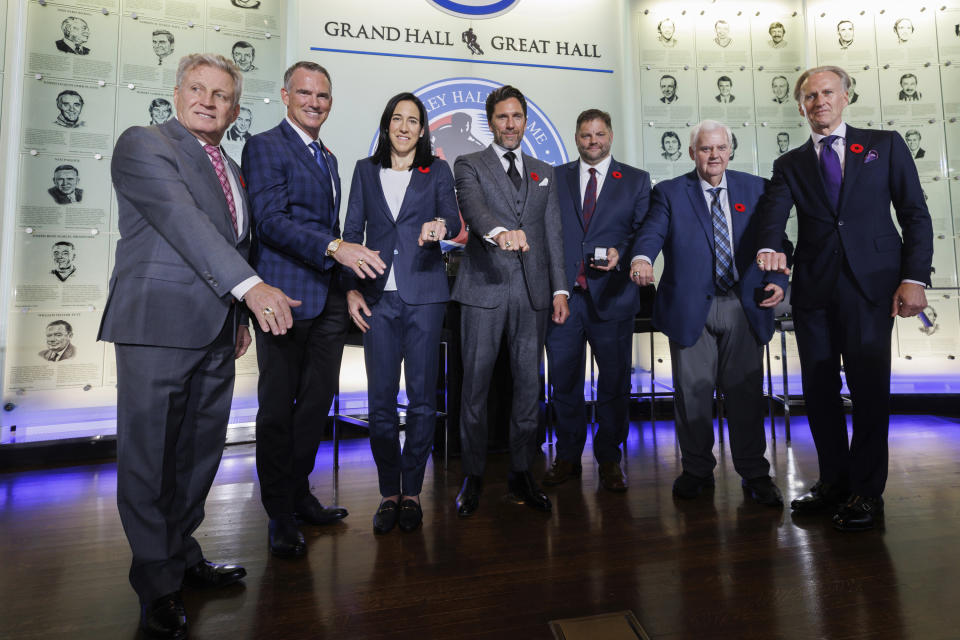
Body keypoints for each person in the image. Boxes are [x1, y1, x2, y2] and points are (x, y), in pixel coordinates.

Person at [99, 53, 299, 638]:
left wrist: (237, 312)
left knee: (198, 456)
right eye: (197, 88)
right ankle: (157, 584)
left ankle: (181, 554)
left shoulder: (231, 168)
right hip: (156, 327)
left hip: (216, 330)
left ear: (235, 109)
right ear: (178, 91)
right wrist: (254, 289)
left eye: (221, 94)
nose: (208, 101)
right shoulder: (144, 144)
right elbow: (183, 222)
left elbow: (233, 243)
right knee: (150, 459)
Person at [756, 65, 933, 531]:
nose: (819, 102)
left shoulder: (884, 145)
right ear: (801, 106)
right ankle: (834, 481)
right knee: (818, 391)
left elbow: (914, 213)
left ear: (846, 96)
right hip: (814, 291)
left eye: (827, 92)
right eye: (810, 96)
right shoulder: (790, 164)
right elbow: (773, 216)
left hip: (872, 287)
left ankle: (867, 491)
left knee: (870, 390)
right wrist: (770, 247)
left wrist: (914, 277)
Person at [242, 61, 384, 558]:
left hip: (326, 302)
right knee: (278, 410)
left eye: (323, 95)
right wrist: (333, 249)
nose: (314, 102)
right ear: (285, 95)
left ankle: (299, 494)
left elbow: (334, 236)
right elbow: (271, 223)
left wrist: (346, 286)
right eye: (304, 93)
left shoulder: (328, 156)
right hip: (282, 299)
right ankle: (278, 513)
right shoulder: (263, 146)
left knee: (316, 406)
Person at [630, 120, 788, 507]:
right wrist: (641, 257)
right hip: (690, 308)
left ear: (730, 150)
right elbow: (652, 232)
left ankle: (754, 472)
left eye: (720, 148)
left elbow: (777, 241)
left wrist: (778, 280)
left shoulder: (756, 188)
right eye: (705, 149)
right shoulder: (669, 192)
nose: (713, 155)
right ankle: (697, 470)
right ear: (692, 153)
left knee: (746, 394)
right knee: (693, 395)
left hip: (743, 305)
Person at [342, 93, 461, 534]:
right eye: (398, 118)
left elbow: (453, 218)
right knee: (380, 402)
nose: (405, 127)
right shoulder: (364, 171)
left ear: (424, 129)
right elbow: (352, 234)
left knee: (424, 400)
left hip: (425, 296)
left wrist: (442, 227)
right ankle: (388, 492)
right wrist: (352, 288)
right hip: (378, 299)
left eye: (414, 120)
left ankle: (413, 491)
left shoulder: (437, 171)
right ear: (386, 124)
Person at [452, 85, 569, 517]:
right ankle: (473, 475)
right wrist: (499, 232)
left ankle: (522, 472)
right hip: (483, 288)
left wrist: (559, 289)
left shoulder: (545, 171)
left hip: (534, 293)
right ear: (490, 121)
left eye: (516, 116)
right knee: (475, 389)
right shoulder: (469, 164)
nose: (510, 125)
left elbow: (553, 234)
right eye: (501, 117)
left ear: (526, 120)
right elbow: (474, 208)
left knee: (528, 389)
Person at [542, 109, 650, 492]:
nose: (593, 142)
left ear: (611, 135)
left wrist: (623, 252)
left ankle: (609, 459)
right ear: (576, 137)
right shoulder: (554, 177)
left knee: (615, 384)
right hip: (565, 298)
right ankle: (568, 457)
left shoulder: (636, 180)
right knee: (564, 382)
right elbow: (546, 232)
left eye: (599, 134)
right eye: (586, 135)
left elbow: (644, 231)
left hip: (614, 296)